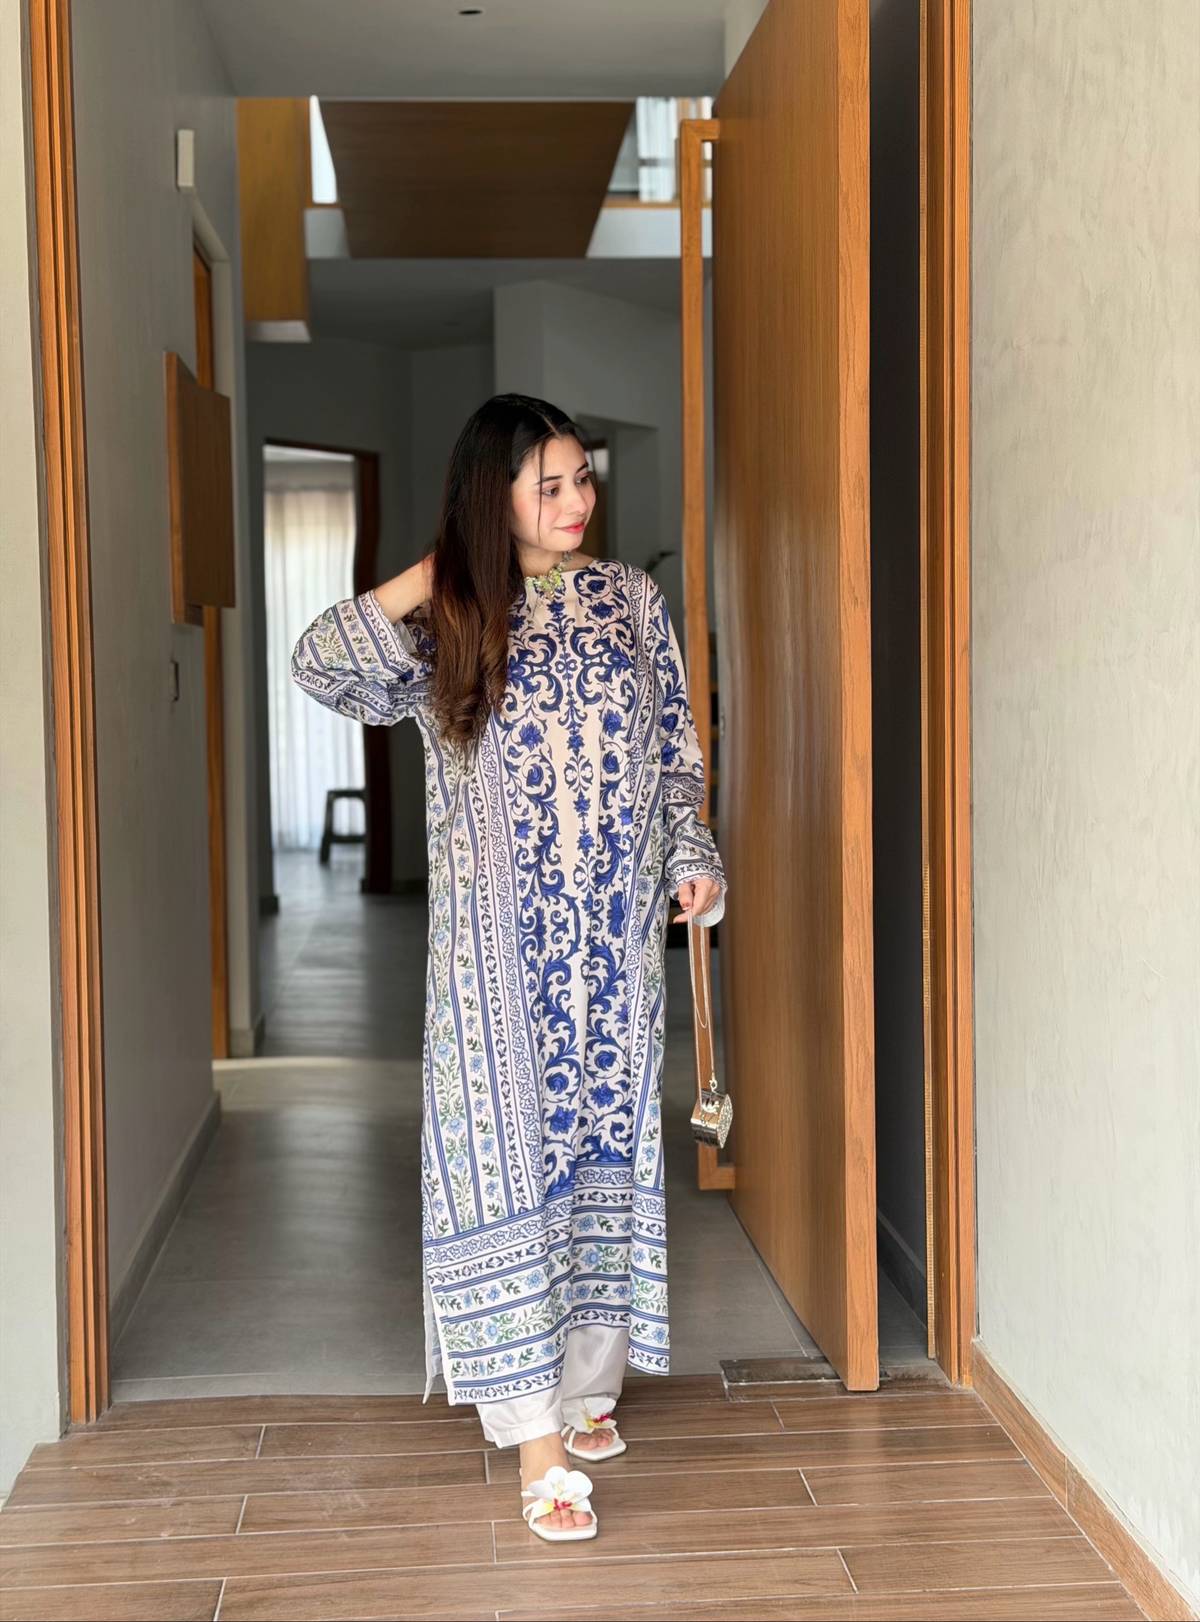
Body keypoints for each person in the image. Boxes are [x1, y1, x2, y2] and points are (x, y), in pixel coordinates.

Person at [290, 393, 727, 1541]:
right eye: (551, 485)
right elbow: (319, 661)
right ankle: (535, 1436)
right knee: (504, 1168)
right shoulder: (447, 617)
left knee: (603, 1155)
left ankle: (585, 1389)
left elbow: (676, 750)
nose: (579, 501)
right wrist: (434, 571)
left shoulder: (632, 600)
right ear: (497, 496)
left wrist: (690, 855)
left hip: (612, 952)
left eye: (584, 478)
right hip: (495, 965)